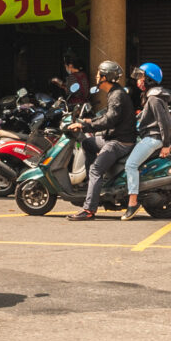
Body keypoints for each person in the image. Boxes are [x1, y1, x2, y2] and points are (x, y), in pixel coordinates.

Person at [64, 60, 134, 222]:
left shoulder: (117, 95)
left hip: (120, 142)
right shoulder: (114, 93)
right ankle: (93, 186)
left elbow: (109, 120)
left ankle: (89, 209)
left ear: (105, 77)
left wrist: (85, 127)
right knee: (88, 144)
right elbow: (107, 117)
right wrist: (87, 121)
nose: (96, 76)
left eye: (98, 74)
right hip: (114, 137)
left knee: (96, 169)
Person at [120, 63, 171, 222]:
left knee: (130, 165)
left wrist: (166, 144)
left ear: (149, 79)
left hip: (153, 138)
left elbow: (164, 122)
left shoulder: (154, 98)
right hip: (150, 136)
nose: (138, 81)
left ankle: (133, 203)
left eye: (141, 77)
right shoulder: (152, 96)